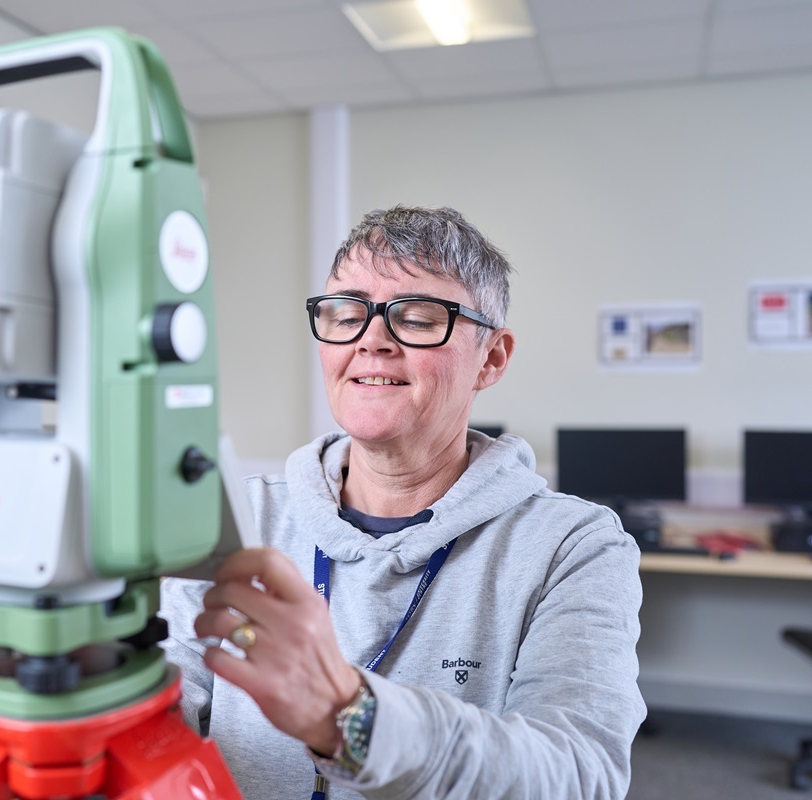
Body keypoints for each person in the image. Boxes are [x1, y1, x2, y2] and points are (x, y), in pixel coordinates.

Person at [160, 205, 647, 799]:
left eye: (416, 319)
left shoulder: (574, 547)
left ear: (491, 358)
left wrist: (349, 717)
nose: (371, 340)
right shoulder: (243, 519)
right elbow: (158, 716)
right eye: (347, 315)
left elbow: (578, 776)